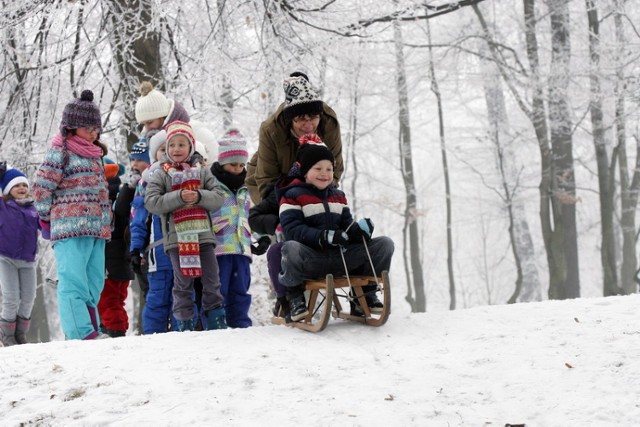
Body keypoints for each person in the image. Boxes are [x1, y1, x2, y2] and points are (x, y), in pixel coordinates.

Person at [276, 134, 394, 321]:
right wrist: (323, 236)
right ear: (305, 171)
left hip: (341, 260)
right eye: (318, 168)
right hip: (313, 260)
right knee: (290, 247)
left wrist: (358, 232)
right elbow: (293, 230)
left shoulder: (338, 197)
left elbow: (346, 228)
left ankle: (365, 295)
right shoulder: (291, 196)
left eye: (329, 169)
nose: (325, 173)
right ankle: (295, 298)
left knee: (384, 244)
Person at [32, 89, 111, 340]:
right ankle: (80, 332)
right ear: (71, 127)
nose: (93, 133)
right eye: (88, 128)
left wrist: (106, 221)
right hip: (69, 227)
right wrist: (47, 217)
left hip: (96, 229)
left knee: (94, 282)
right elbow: (41, 187)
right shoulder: (61, 152)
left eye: (96, 128)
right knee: (73, 280)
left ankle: (91, 328)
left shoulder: (96, 155)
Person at [144, 121, 227, 331]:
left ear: (191, 146)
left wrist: (198, 195)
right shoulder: (161, 174)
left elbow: (218, 197)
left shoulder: (202, 171)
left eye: (182, 144)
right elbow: (152, 202)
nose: (176, 149)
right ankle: (184, 324)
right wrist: (178, 197)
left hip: (204, 236)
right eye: (172, 145)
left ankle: (216, 321)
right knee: (182, 284)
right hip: (177, 238)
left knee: (212, 280)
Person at [245, 72, 344, 204]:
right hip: (270, 179)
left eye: (314, 117)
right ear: (291, 119)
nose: (308, 125)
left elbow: (335, 168)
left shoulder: (329, 124)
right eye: (301, 118)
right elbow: (267, 179)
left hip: (311, 181)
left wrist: (321, 197)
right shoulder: (271, 129)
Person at [209, 129, 269, 328]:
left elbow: (251, 215)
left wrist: (261, 236)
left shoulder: (246, 188)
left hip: (243, 248)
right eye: (233, 164)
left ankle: (241, 325)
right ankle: (216, 325)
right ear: (222, 162)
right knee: (219, 289)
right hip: (219, 248)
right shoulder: (212, 185)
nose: (237, 169)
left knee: (241, 288)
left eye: (241, 165)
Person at [0, 166, 40, 346]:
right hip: (5, 258)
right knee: (11, 297)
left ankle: (20, 333)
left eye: (25, 184)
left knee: (29, 297)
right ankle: (6, 335)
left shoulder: (33, 210)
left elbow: (46, 227)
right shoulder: (3, 206)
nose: (22, 188)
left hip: (27, 261)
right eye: (17, 185)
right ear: (8, 189)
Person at [98, 158, 132, 337]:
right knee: (118, 299)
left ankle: (115, 331)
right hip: (122, 261)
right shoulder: (122, 199)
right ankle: (118, 328)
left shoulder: (104, 202)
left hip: (108, 262)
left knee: (108, 300)